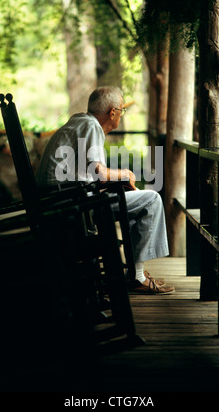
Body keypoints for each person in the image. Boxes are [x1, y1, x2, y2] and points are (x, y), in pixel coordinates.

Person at [35, 86, 175, 294]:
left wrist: (118, 179)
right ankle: (136, 276)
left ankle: (137, 273)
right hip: (72, 206)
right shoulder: (90, 126)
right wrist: (126, 174)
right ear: (113, 112)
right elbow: (100, 174)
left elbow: (93, 175)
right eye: (121, 110)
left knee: (135, 202)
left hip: (63, 201)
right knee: (151, 199)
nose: (120, 114)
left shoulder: (80, 123)